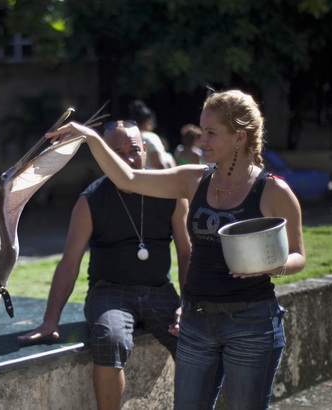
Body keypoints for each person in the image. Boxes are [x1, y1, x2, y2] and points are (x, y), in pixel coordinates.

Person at [46, 89, 306, 410]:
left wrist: (271, 266)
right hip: (197, 323)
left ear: (239, 137)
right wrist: (89, 136)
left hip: (251, 324)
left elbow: (298, 256)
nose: (202, 140)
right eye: (202, 130)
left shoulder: (273, 190)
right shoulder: (192, 179)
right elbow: (127, 179)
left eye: (211, 133)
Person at [18, 120, 191, 410]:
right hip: (110, 292)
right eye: (117, 151)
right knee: (110, 339)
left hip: (159, 290)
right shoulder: (90, 201)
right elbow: (70, 262)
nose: (127, 158)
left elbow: (187, 254)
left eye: (133, 150)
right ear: (103, 155)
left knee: (194, 339)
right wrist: (50, 321)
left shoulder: (171, 194)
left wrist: (187, 304)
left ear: (145, 149)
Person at [128, 100, 174, 169]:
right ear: (147, 121)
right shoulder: (151, 137)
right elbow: (160, 165)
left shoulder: (128, 137)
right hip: (154, 178)